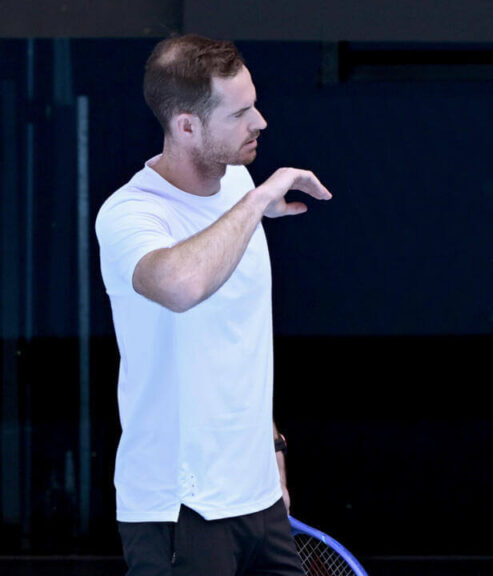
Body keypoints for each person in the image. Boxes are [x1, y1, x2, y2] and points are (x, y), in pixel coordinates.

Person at [95, 34, 331, 575]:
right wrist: (261, 198)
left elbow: (235, 337)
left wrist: (273, 449)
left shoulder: (237, 186)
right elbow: (181, 287)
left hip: (260, 500)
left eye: (255, 103)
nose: (261, 122)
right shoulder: (129, 215)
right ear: (186, 126)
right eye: (240, 112)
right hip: (177, 509)